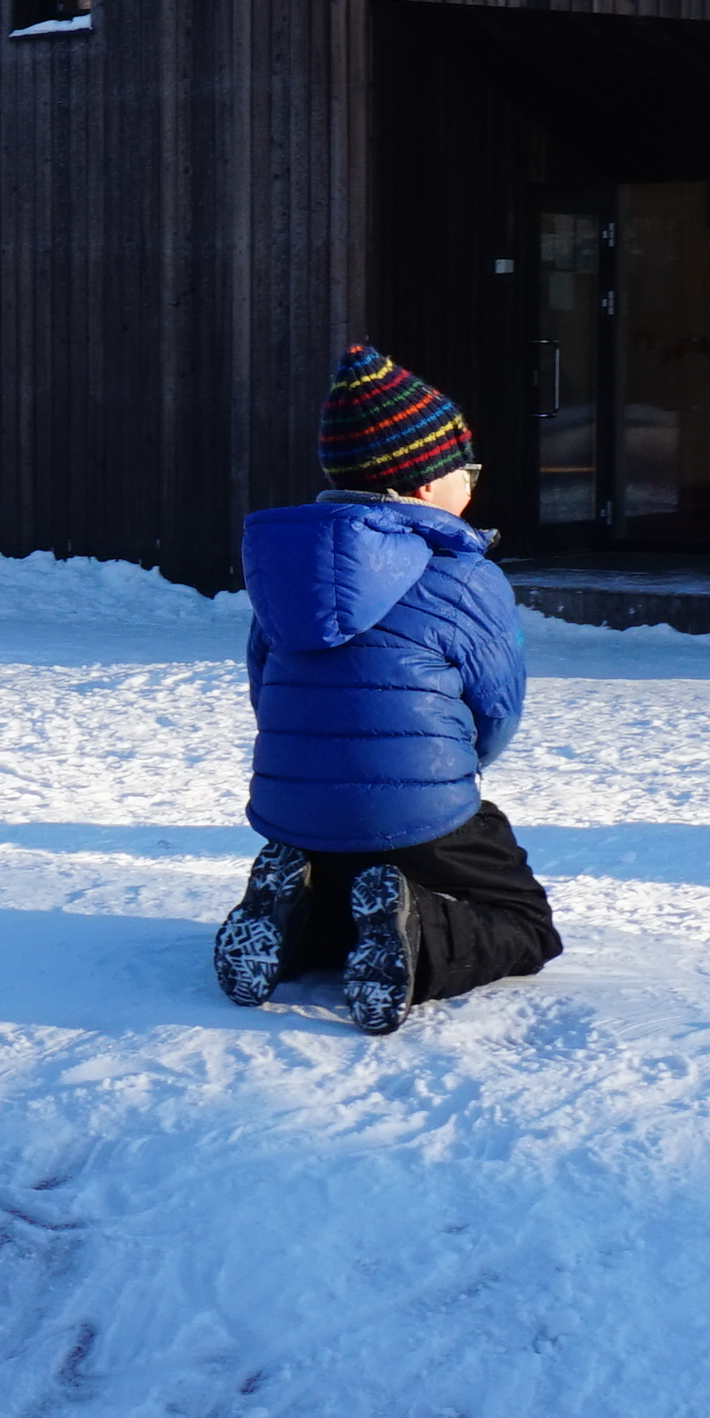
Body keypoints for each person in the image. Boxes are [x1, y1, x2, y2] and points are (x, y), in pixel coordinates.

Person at [212, 346, 566, 1034]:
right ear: (428, 483)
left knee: (355, 876)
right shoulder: (466, 577)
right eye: (469, 469)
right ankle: (424, 937)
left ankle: (297, 922)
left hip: (294, 809)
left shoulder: (285, 576)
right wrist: (451, 769)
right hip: (421, 804)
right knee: (525, 924)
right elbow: (495, 710)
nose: (475, 483)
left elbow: (265, 690)